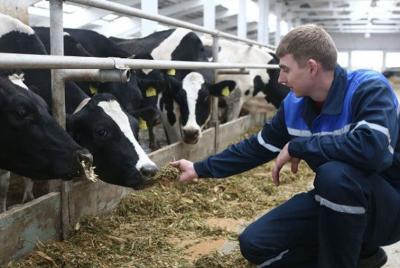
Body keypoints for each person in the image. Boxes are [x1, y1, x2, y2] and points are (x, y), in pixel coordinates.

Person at [170, 24, 400, 268]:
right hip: (335, 201)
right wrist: (199, 168)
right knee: (254, 243)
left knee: (334, 175)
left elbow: (373, 151)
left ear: (311, 67)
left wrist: (300, 146)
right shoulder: (294, 105)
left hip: (388, 208)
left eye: (285, 70)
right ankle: (364, 255)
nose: (280, 79)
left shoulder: (368, 88)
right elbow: (256, 147)